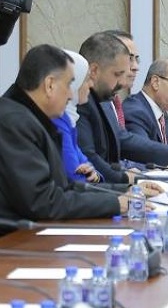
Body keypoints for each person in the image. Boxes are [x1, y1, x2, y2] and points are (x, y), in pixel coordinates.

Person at [0, 45, 128, 234]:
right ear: (50, 85)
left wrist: (124, 192)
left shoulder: (31, 116)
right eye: (68, 85)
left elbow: (63, 186)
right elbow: (42, 202)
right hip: (13, 241)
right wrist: (114, 203)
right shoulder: (14, 123)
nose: (70, 94)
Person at [76, 32, 168, 184]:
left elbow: (122, 140)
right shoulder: (82, 101)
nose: (134, 68)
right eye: (117, 73)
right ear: (94, 70)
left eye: (134, 59)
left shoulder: (104, 100)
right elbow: (89, 158)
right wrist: (126, 178)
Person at [51, 50, 100, 183]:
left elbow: (87, 165)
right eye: (87, 79)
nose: (91, 84)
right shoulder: (57, 118)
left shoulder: (68, 117)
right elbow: (74, 175)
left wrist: (96, 176)